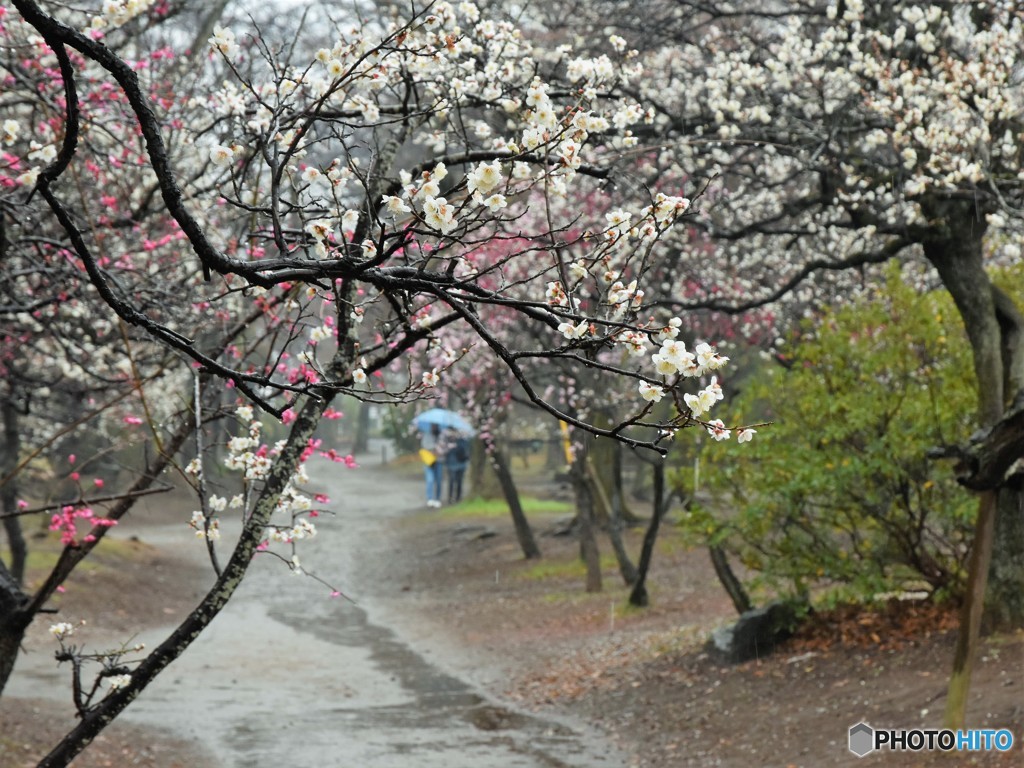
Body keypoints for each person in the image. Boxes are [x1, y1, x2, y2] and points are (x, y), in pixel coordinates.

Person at [420, 424, 445, 508]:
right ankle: (430, 498)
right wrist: (434, 448)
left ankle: (437, 498)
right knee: (430, 480)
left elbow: (445, 447)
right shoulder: (427, 435)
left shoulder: (442, 436)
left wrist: (440, 450)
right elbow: (425, 445)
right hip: (429, 461)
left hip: (439, 461)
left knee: (438, 481)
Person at [443, 430, 470, 504]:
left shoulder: (462, 440)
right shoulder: (447, 440)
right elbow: (444, 452)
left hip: (461, 464)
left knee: (459, 481)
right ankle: (450, 498)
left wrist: (457, 446)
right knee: (451, 481)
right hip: (451, 464)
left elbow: (465, 450)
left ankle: (458, 497)